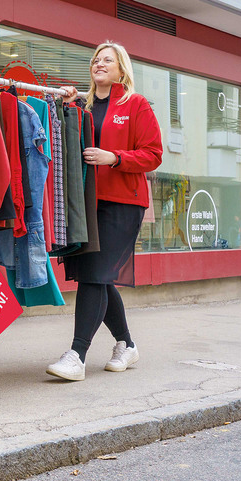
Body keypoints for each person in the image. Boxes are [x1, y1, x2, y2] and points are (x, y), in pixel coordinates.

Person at [46, 42, 163, 381]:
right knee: (98, 274)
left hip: (123, 203)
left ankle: (77, 355)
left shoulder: (135, 104)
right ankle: (126, 344)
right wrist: (62, 103)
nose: (99, 63)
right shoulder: (82, 105)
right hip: (87, 202)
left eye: (107, 60)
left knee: (95, 273)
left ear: (121, 69)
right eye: (96, 59)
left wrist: (116, 158)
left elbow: (153, 154)